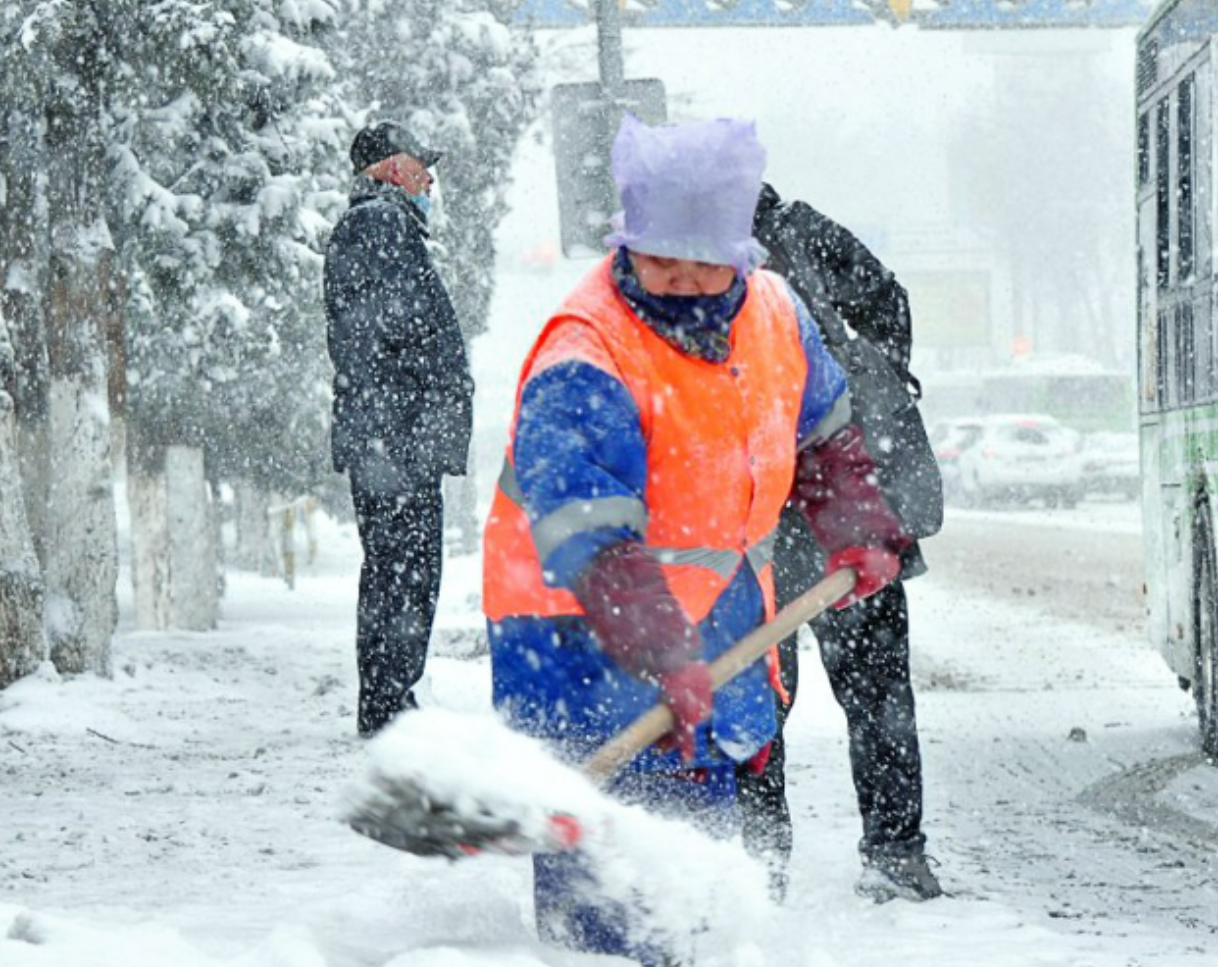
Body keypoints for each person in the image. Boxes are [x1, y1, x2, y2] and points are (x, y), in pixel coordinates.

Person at [484, 116, 914, 962]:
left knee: (692, 855)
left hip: (708, 625)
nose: (681, 278)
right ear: (626, 243)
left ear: (743, 253)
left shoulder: (777, 315)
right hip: (571, 630)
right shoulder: (588, 348)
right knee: (604, 864)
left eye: (703, 258)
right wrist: (659, 650)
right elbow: (589, 533)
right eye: (659, 256)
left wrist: (857, 528)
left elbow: (826, 437)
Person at [734, 182, 947, 903]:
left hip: (783, 507)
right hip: (838, 493)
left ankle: (760, 864)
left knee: (757, 693)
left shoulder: (713, 264)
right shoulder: (796, 235)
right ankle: (894, 852)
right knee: (876, 690)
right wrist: (874, 380)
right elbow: (889, 303)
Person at [325, 120, 474, 738]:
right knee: (404, 572)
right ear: (389, 169)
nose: (430, 178)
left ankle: (391, 700)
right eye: (420, 165)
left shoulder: (381, 227)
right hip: (395, 435)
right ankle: (389, 706)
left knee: (399, 570)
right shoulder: (379, 226)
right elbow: (401, 330)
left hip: (393, 432)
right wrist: (425, 410)